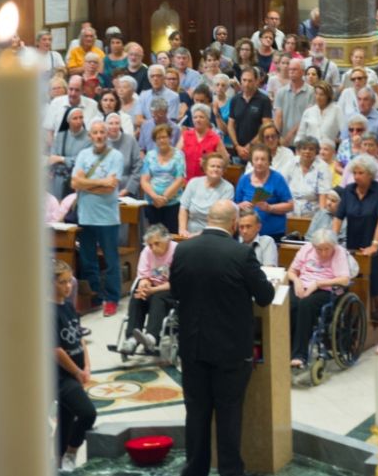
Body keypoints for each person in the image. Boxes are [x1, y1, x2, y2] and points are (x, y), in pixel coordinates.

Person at [170, 199, 274, 476]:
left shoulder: (183, 249)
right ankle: (230, 471)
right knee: (229, 415)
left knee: (196, 413)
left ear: (207, 220)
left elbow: (176, 292)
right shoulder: (241, 254)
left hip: (193, 346)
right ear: (234, 224)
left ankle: (195, 470)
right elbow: (265, 296)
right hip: (231, 350)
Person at [334, 154, 378, 338]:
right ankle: (357, 318)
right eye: (355, 172)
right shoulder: (349, 191)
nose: (356, 176)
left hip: (376, 242)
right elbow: (338, 217)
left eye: (361, 173)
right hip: (354, 241)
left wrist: (375, 245)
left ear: (370, 174)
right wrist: (332, 240)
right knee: (355, 280)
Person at [72, 120, 125, 315]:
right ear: (90, 136)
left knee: (111, 260)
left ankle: (112, 298)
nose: (99, 136)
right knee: (88, 260)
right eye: (95, 133)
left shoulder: (116, 156)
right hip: (85, 216)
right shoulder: (83, 155)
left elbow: (111, 187)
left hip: (107, 218)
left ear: (107, 134)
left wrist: (85, 184)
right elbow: (74, 182)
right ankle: (96, 295)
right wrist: (100, 183)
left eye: (102, 132)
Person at [286, 229, 353, 368]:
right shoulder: (307, 249)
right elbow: (291, 272)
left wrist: (317, 284)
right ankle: (286, 349)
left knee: (305, 305)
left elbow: (345, 280)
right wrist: (297, 281)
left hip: (326, 288)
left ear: (333, 246)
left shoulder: (339, 252)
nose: (323, 253)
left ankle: (300, 355)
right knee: (290, 304)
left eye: (326, 249)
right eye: (319, 250)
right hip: (303, 284)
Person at [53, 261, 97, 472]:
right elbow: (56, 351)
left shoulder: (69, 306)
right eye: (62, 282)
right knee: (87, 413)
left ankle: (59, 459)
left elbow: (79, 338)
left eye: (69, 281)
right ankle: (71, 453)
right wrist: (77, 371)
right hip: (62, 377)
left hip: (77, 371)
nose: (68, 286)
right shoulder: (48, 311)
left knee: (66, 419)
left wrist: (87, 364)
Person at [119, 224, 177, 354]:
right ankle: (132, 339)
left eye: (157, 243)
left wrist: (153, 290)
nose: (153, 248)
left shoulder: (177, 251)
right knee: (137, 295)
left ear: (167, 239)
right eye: (150, 245)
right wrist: (144, 284)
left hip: (171, 291)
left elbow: (177, 282)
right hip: (153, 287)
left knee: (158, 296)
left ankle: (151, 338)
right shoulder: (146, 251)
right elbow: (143, 275)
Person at [140, 123, 187, 233]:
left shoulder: (178, 155)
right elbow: (144, 180)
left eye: (164, 137)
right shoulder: (150, 155)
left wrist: (164, 198)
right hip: (152, 202)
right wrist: (154, 196)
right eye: (158, 138)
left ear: (170, 138)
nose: (161, 140)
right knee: (154, 237)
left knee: (171, 236)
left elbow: (180, 180)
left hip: (172, 203)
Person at [179, 153, 235, 237]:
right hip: (188, 233)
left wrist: (196, 235)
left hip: (213, 235)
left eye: (219, 167)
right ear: (205, 168)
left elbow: (221, 219)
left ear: (223, 171)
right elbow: (184, 208)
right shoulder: (193, 183)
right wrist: (182, 230)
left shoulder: (228, 188)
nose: (215, 169)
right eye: (212, 166)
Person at [227, 67, 273, 163]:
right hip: (238, 150)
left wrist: (250, 145)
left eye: (250, 81)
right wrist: (237, 146)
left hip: (257, 150)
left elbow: (266, 127)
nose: (246, 84)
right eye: (244, 80)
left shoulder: (264, 100)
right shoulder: (235, 99)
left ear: (257, 81)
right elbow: (230, 125)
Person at [178, 103, 229, 181]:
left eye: (201, 117)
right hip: (185, 180)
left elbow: (225, 159)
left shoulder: (215, 138)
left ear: (208, 119)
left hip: (207, 181)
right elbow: (176, 155)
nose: (198, 120)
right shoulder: (186, 135)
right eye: (195, 117)